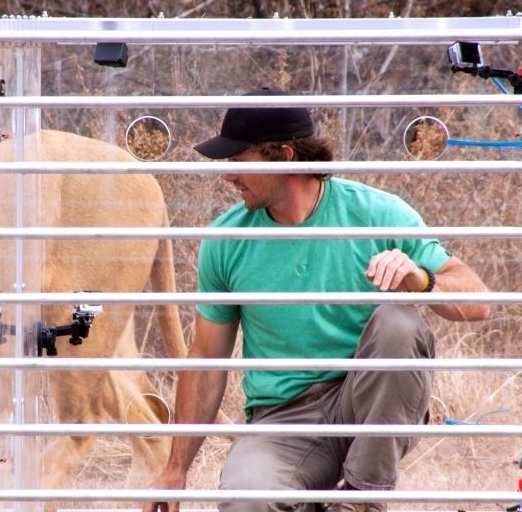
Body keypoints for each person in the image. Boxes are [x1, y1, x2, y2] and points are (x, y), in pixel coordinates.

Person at [142, 87, 490, 512]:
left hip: (368, 403)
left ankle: (362, 500)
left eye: (238, 162)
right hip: (283, 418)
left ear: (285, 156)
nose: (227, 176)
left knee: (399, 322)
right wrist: (176, 468)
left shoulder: (377, 214)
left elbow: (478, 304)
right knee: (244, 502)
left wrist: (421, 280)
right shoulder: (225, 240)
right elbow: (207, 363)